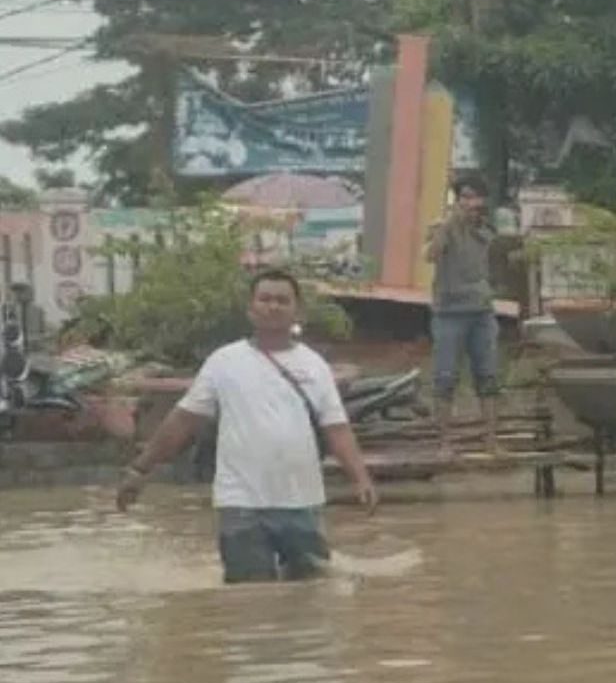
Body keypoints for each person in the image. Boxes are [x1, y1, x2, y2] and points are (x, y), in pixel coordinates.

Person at [116, 269, 379, 582]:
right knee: (248, 595)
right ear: (250, 309)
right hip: (241, 504)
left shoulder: (315, 366)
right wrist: (140, 470)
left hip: (301, 501)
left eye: (283, 300)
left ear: (297, 310)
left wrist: (360, 479)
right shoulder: (223, 362)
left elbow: (336, 428)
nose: (273, 307)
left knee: (312, 592)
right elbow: (183, 419)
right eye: (265, 299)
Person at [425, 177, 500, 456]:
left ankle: (491, 441)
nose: (471, 203)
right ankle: (445, 443)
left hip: (481, 311)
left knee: (488, 375)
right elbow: (430, 255)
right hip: (449, 312)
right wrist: (444, 227)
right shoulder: (442, 226)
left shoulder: (486, 228)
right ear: (457, 200)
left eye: (476, 198)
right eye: (465, 197)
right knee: (445, 377)